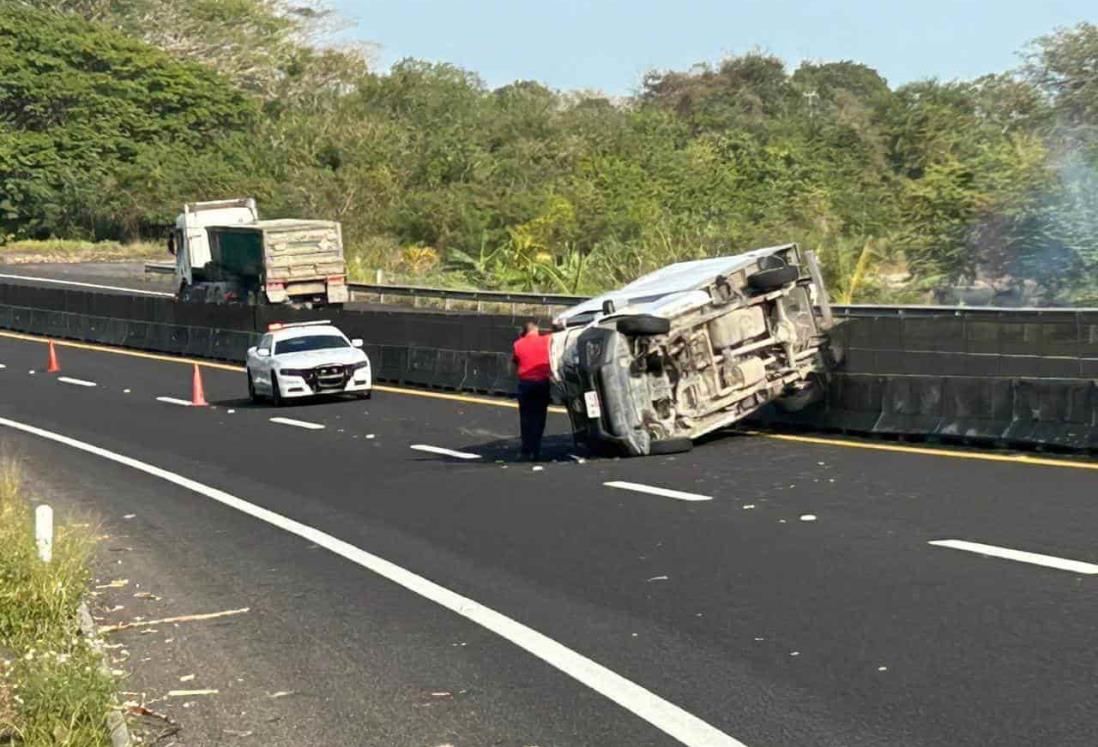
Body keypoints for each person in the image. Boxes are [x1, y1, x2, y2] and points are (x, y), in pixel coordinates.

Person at [512, 320, 552, 461]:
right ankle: (536, 449)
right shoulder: (547, 340)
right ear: (536, 329)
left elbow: (516, 360)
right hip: (542, 382)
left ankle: (526, 449)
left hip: (526, 383)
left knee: (526, 418)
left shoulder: (518, 344)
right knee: (539, 417)